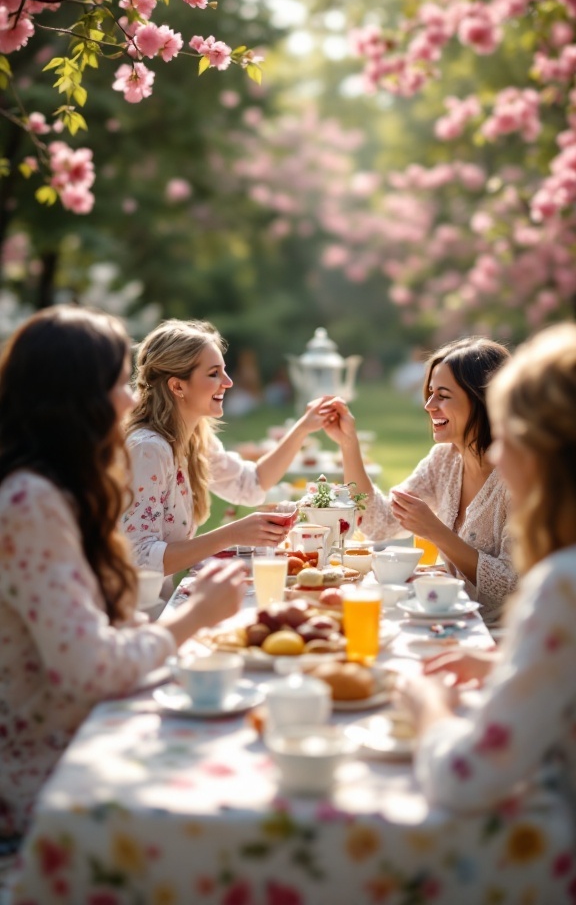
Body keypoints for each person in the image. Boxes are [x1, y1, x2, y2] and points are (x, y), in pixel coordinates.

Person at [0, 306, 246, 841]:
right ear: (75, 397)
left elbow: (93, 631)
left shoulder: (56, 489)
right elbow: (91, 668)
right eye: (118, 382)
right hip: (50, 787)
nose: (133, 397)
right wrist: (195, 619)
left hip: (81, 746)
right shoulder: (30, 503)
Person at [396, 322, 576, 823]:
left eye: (510, 431)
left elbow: (465, 778)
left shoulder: (564, 585)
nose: (497, 451)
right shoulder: (444, 461)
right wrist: (505, 668)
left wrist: (430, 705)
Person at [319, 337, 516, 622]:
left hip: (501, 639)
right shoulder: (444, 460)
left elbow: (511, 586)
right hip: (447, 621)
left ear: (483, 401)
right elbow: (380, 524)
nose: (429, 405)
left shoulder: (519, 478)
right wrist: (349, 444)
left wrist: (436, 532)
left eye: (443, 395)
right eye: (430, 393)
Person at [122, 318, 326, 580]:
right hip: (130, 610)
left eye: (224, 371)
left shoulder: (195, 438)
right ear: (177, 386)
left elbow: (250, 484)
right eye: (213, 373)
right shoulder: (148, 450)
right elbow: (138, 559)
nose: (228, 382)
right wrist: (231, 534)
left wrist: (303, 428)